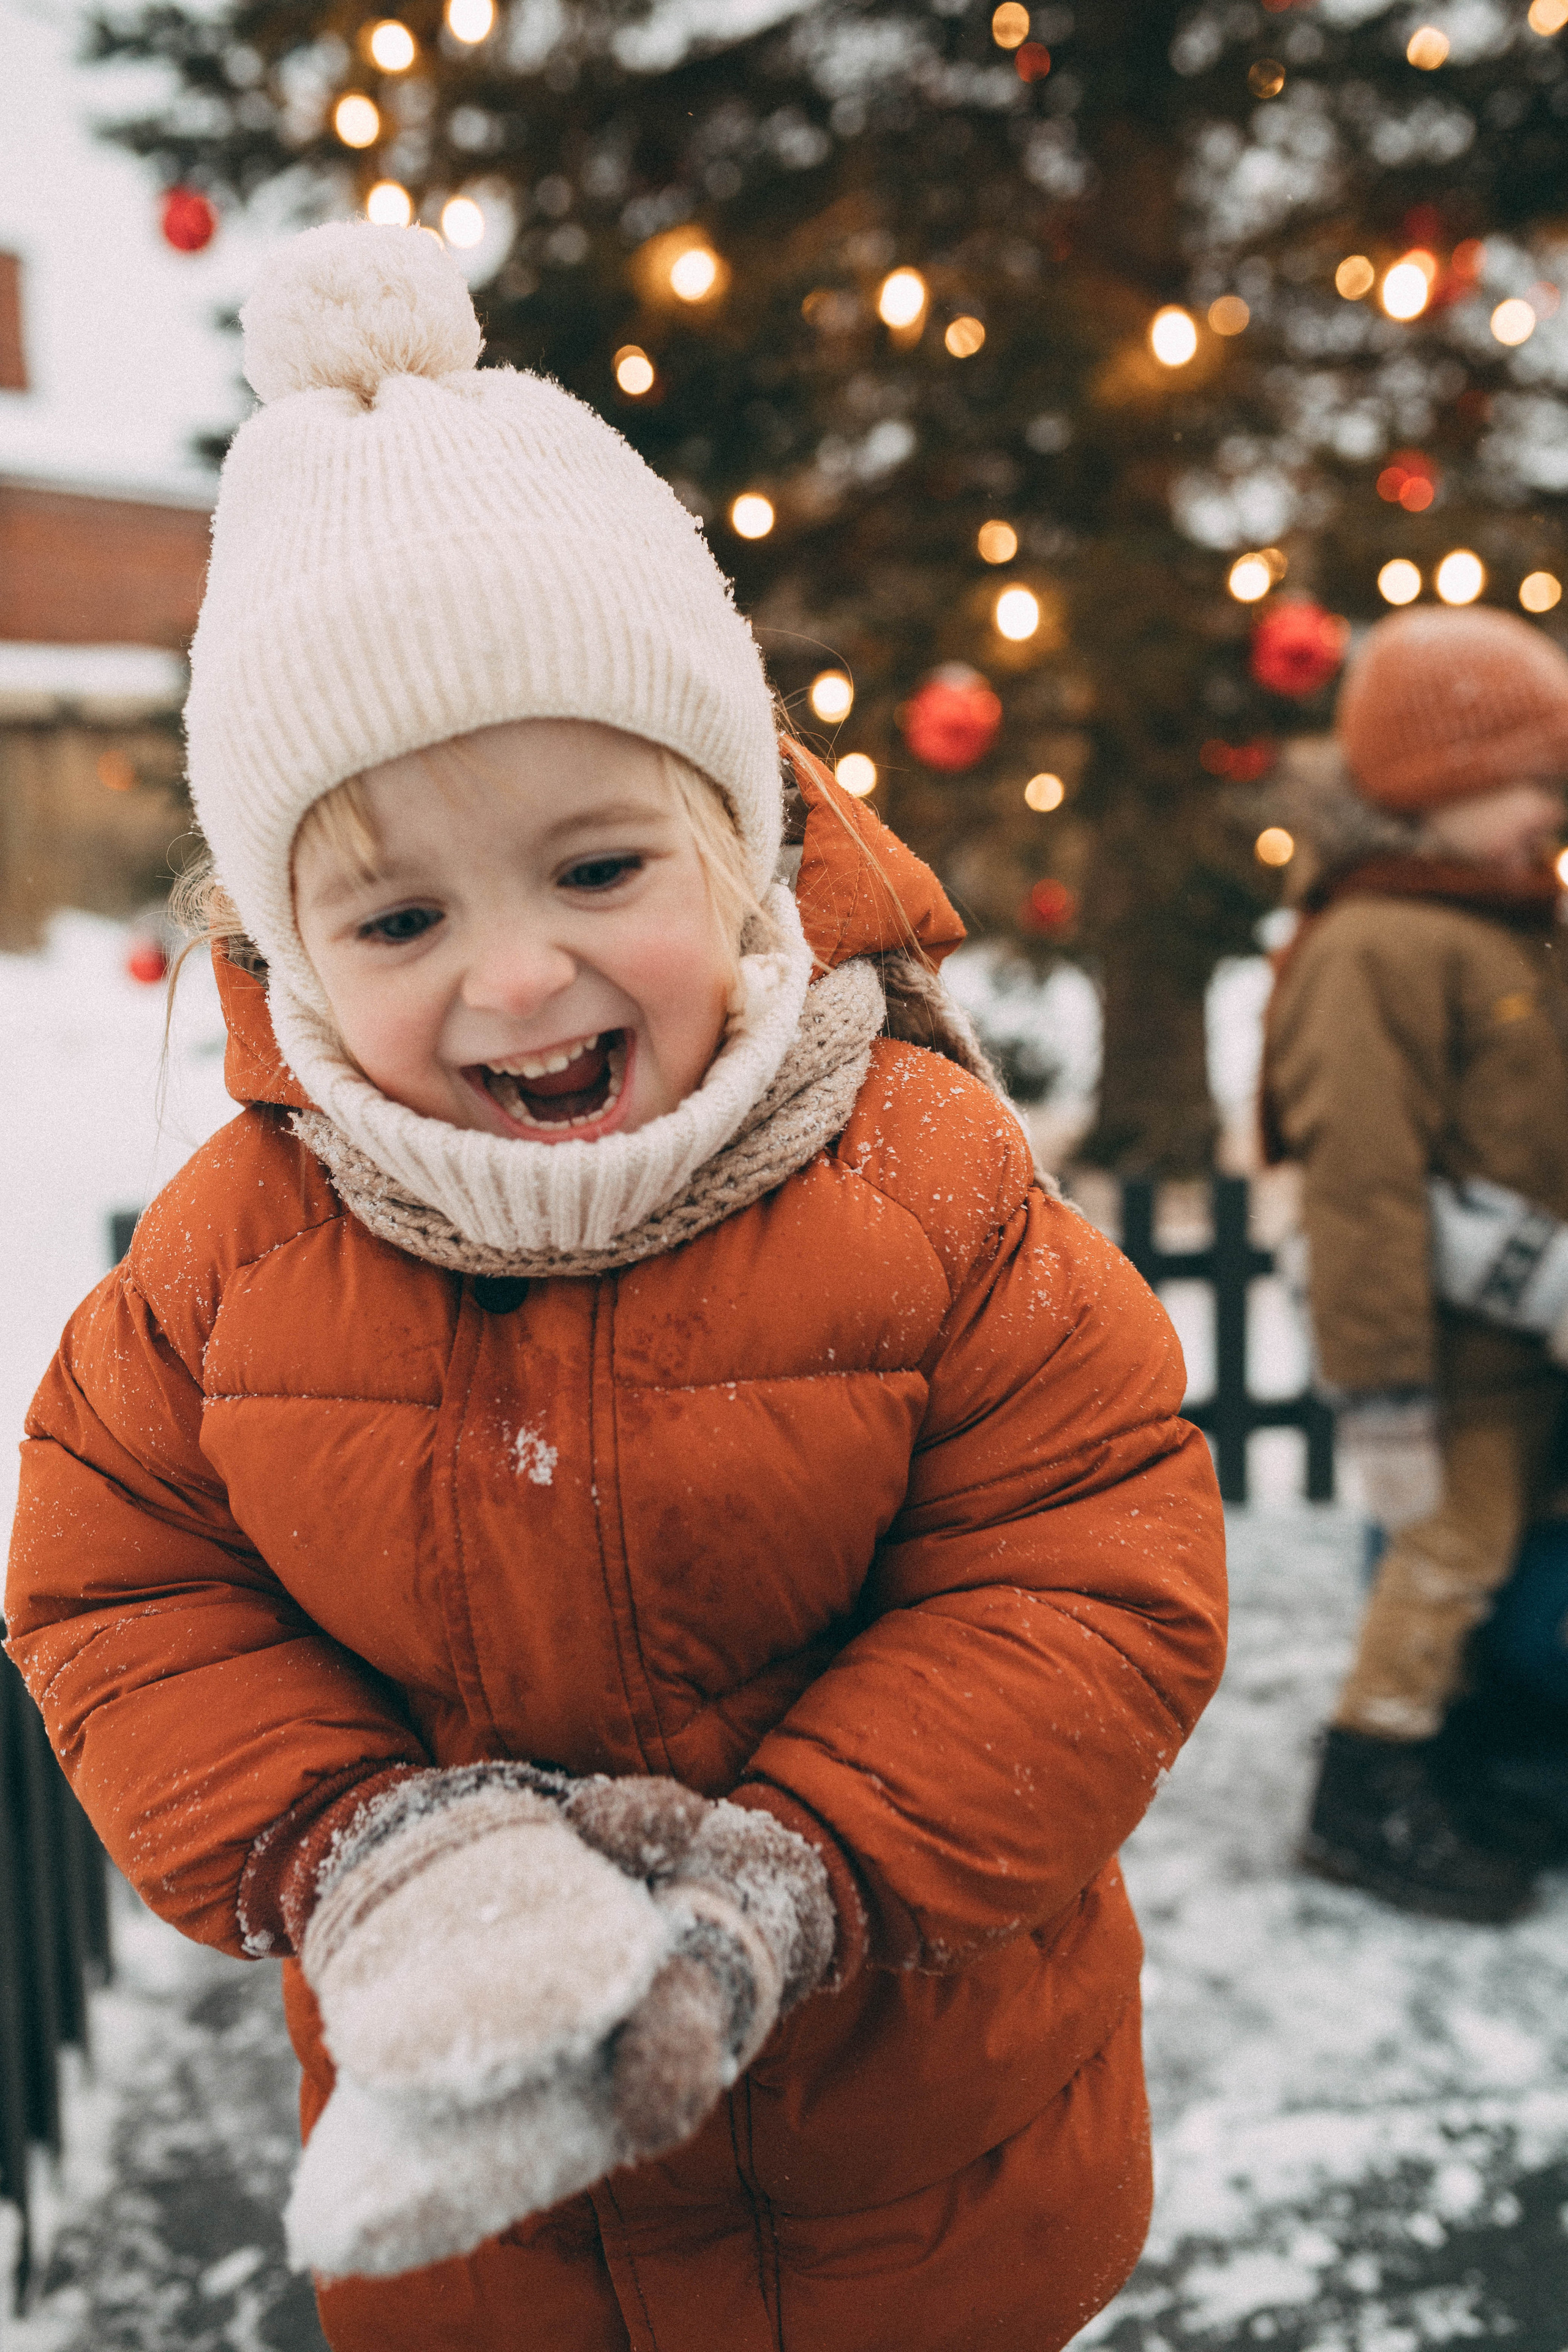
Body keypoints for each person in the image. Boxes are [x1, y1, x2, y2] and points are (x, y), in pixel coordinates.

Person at [4, 225, 1226, 2352]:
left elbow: (1086, 1573)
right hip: (507, 2233)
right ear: (289, 957)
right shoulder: (237, 1260)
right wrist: (366, 1845)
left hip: (920, 2181)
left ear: (743, 848)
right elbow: (122, 1594)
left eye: (597, 868)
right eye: (398, 920)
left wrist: (796, 1873)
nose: (516, 973)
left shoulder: (926, 1184)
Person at [1263, 603, 1568, 1923]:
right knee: (1443, 1559)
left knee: (1500, 1565)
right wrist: (1381, 1389)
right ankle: (1366, 1782)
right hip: (1451, 1363)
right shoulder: (1375, 943)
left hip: (1529, 1349)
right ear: (1439, 784)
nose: (1552, 809)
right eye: (1533, 781)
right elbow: (1363, 1187)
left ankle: (1469, 1754)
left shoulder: (1511, 920)